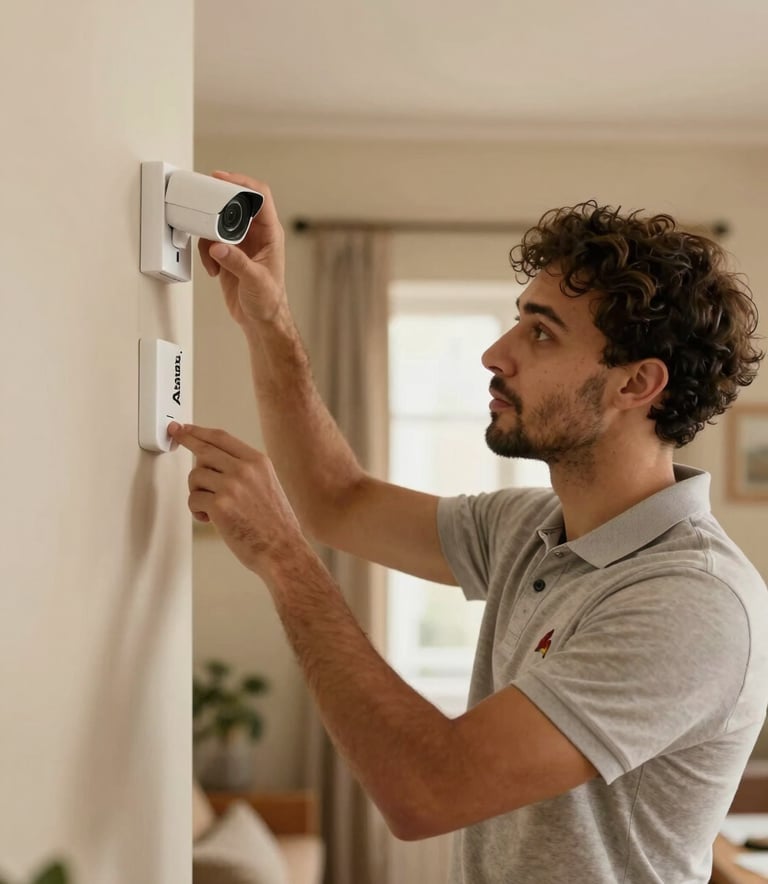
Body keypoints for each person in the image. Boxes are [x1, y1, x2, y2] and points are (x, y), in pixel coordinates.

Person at [168, 173, 768, 884]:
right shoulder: (531, 526)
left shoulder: (690, 601)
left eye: (541, 333)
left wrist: (282, 557)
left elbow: (429, 789)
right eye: (520, 319)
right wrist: (267, 320)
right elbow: (336, 500)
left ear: (636, 385)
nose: (497, 352)